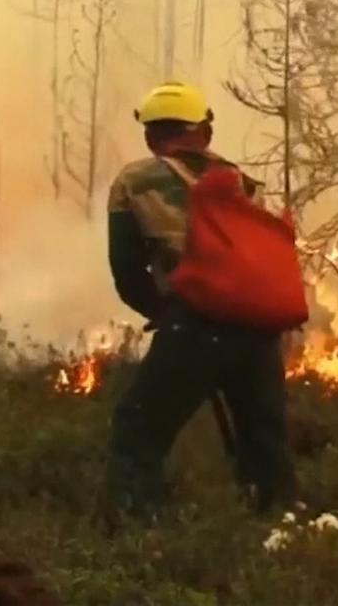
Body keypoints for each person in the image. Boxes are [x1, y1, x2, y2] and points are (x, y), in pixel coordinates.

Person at [103, 81, 297, 523]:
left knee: (139, 429)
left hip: (195, 326)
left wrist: (167, 313)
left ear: (152, 135)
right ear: (205, 132)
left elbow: (127, 268)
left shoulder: (134, 180)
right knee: (263, 437)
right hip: (259, 330)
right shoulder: (242, 183)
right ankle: (279, 526)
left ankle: (137, 529)